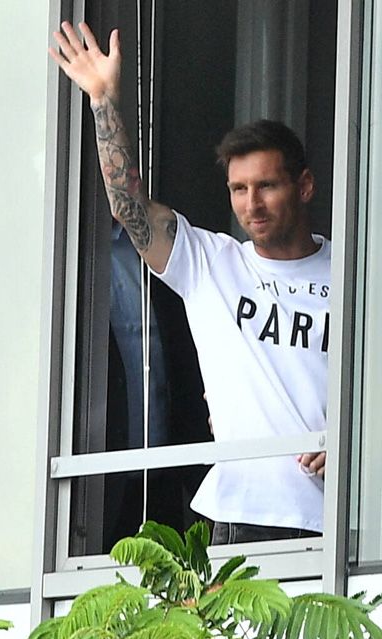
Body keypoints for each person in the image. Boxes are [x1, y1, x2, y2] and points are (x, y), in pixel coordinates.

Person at [49, 21, 329, 544]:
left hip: (338, 519)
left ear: (304, 185)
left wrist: (352, 443)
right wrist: (104, 101)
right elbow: (129, 208)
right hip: (241, 514)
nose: (252, 203)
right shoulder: (213, 265)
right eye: (239, 189)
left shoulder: (353, 274)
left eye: (266, 185)